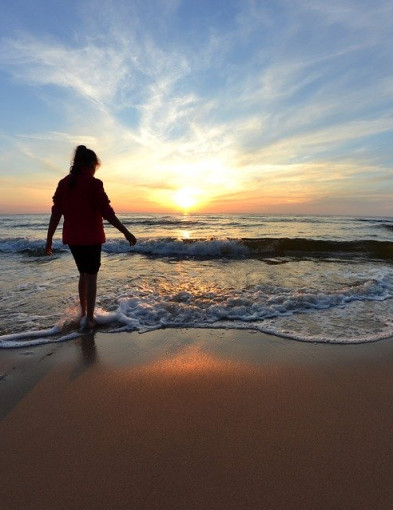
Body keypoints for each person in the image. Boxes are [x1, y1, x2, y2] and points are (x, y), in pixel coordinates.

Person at [45, 145, 136, 330]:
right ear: (90, 164)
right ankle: (90, 319)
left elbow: (56, 213)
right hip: (91, 238)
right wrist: (125, 232)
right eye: (95, 165)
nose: (95, 169)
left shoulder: (64, 183)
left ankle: (85, 313)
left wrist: (49, 239)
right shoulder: (94, 184)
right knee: (91, 276)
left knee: (83, 274)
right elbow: (107, 212)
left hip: (72, 238)